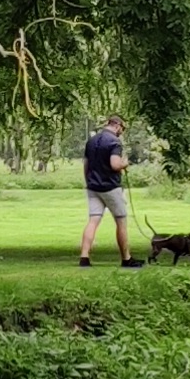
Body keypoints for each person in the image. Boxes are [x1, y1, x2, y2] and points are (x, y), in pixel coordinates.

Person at [79, 114, 133, 267]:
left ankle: (84, 257)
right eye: (122, 129)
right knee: (121, 221)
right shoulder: (114, 142)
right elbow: (115, 164)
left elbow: (86, 165)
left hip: (93, 187)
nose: (121, 132)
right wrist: (125, 164)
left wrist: (89, 182)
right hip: (110, 187)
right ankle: (126, 259)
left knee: (93, 220)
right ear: (117, 125)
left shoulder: (92, 141)